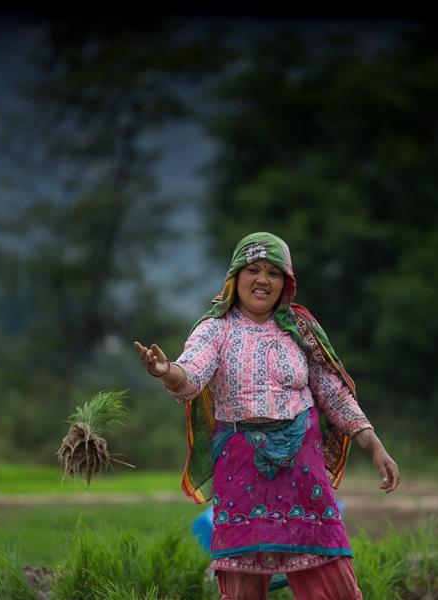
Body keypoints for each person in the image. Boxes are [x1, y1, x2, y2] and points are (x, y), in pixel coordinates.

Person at [134, 232, 399, 600]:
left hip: (302, 466)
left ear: (286, 283)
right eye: (253, 269)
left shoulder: (300, 329)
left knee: (328, 567)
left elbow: (334, 394)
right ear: (235, 277)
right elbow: (191, 376)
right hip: (241, 465)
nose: (262, 280)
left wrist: (374, 446)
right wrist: (166, 370)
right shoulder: (216, 328)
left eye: (274, 273)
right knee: (242, 578)